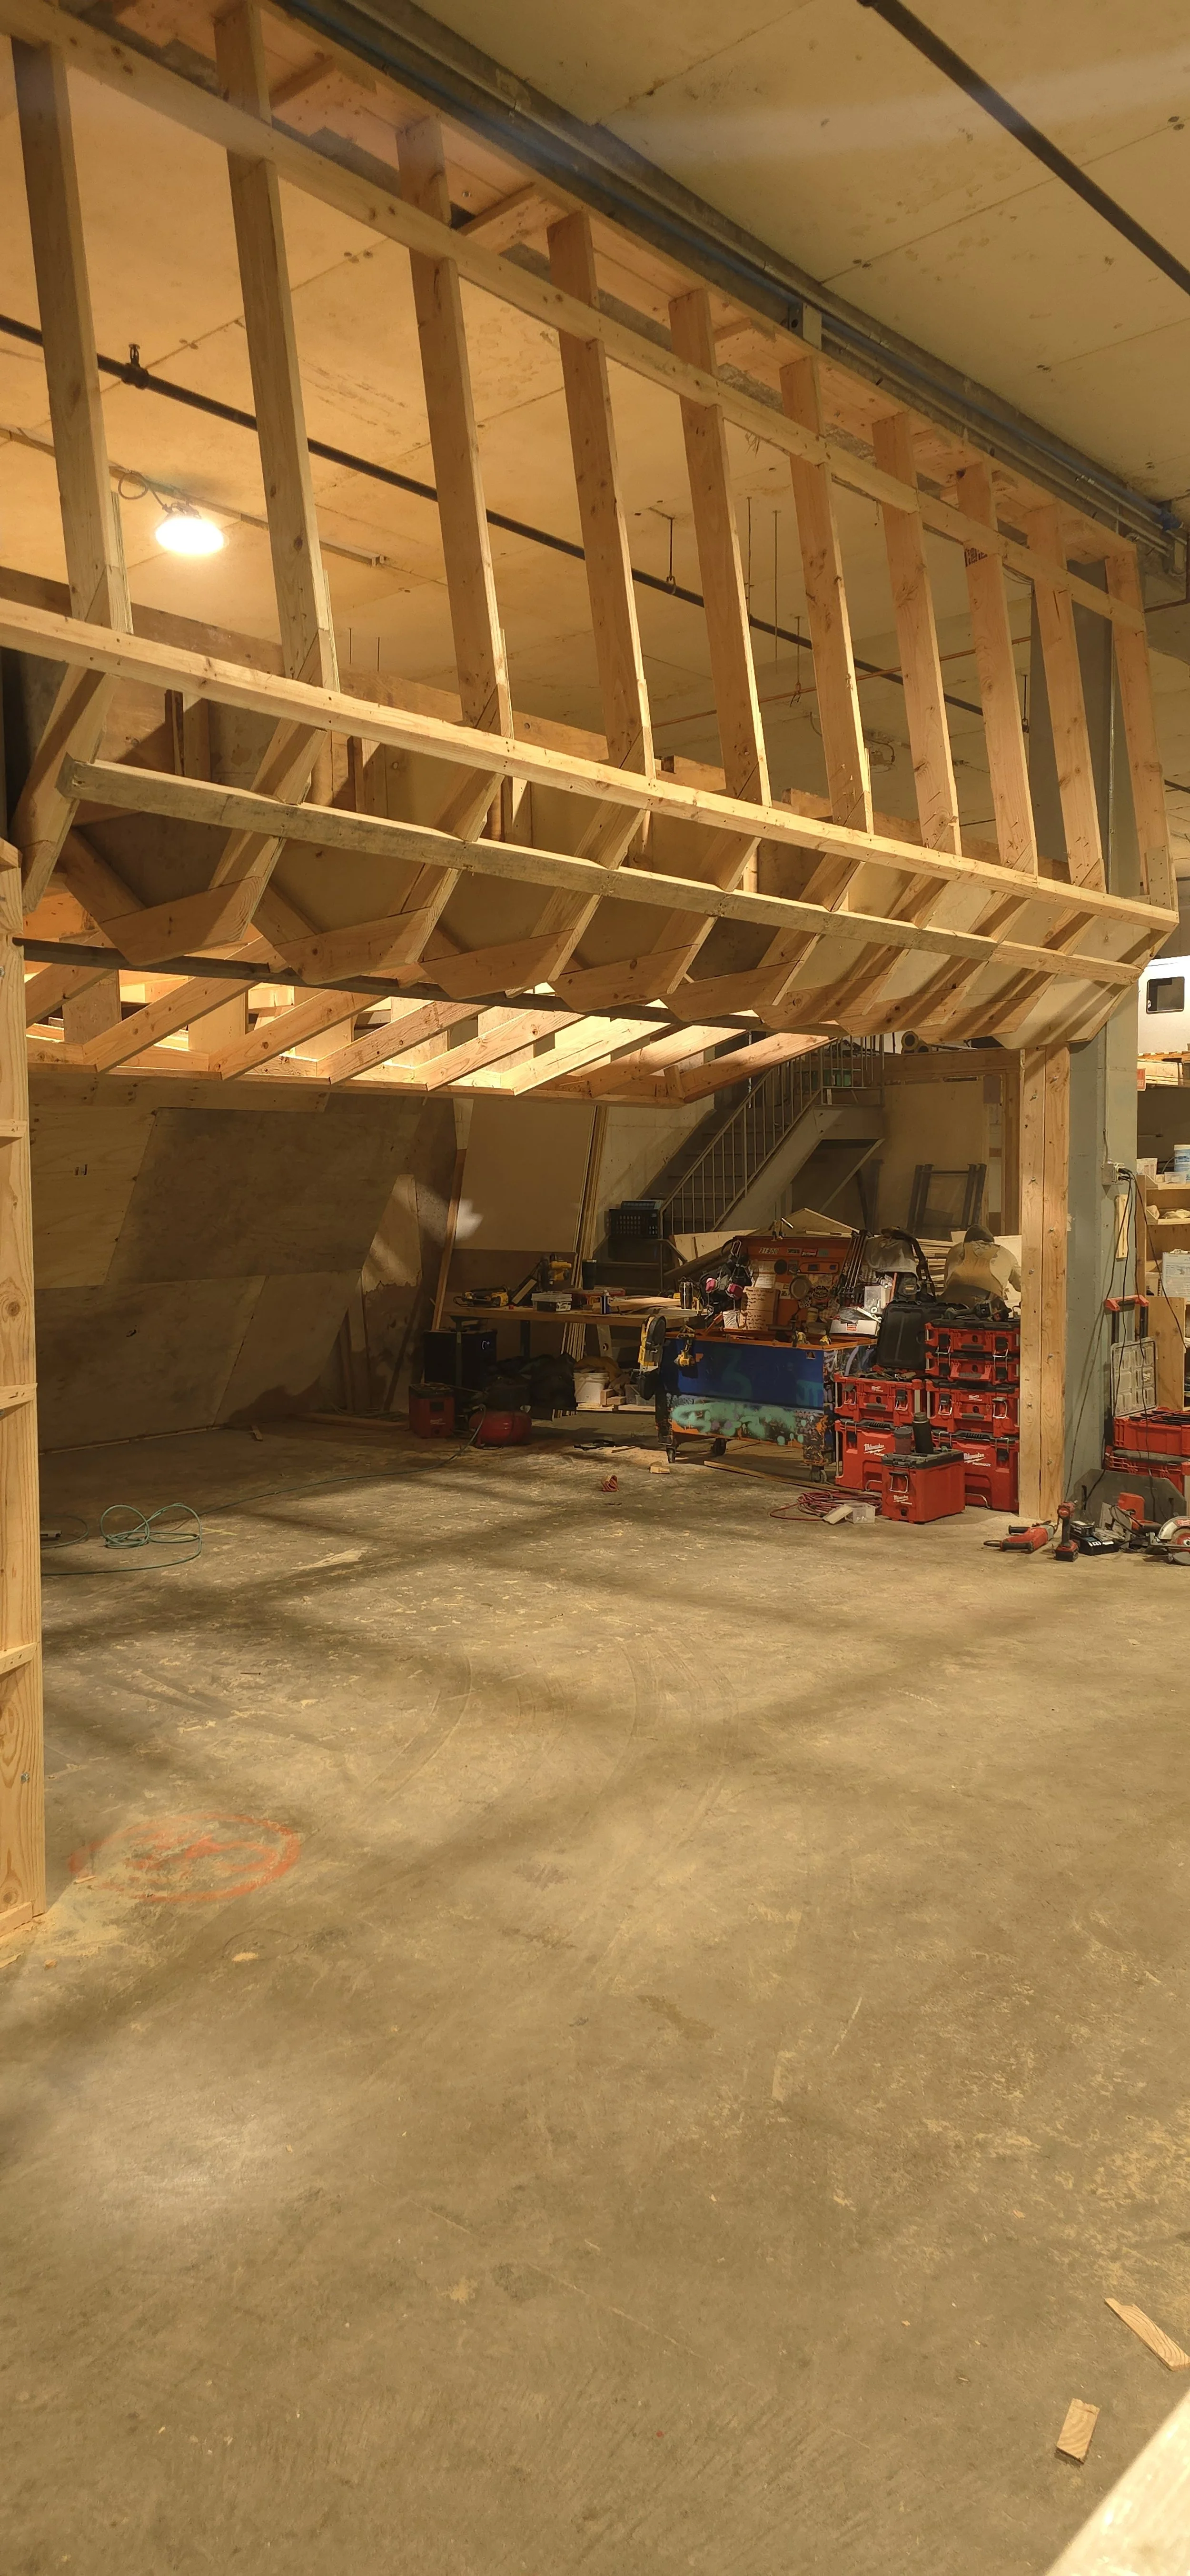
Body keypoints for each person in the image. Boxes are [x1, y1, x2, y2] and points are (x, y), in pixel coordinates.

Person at [941, 1224, 1021, 1310]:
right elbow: (1023, 1285)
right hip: (988, 1306)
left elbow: (946, 1284)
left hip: (952, 1303)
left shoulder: (956, 1249)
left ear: (967, 1242)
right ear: (992, 1242)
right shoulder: (1005, 1253)